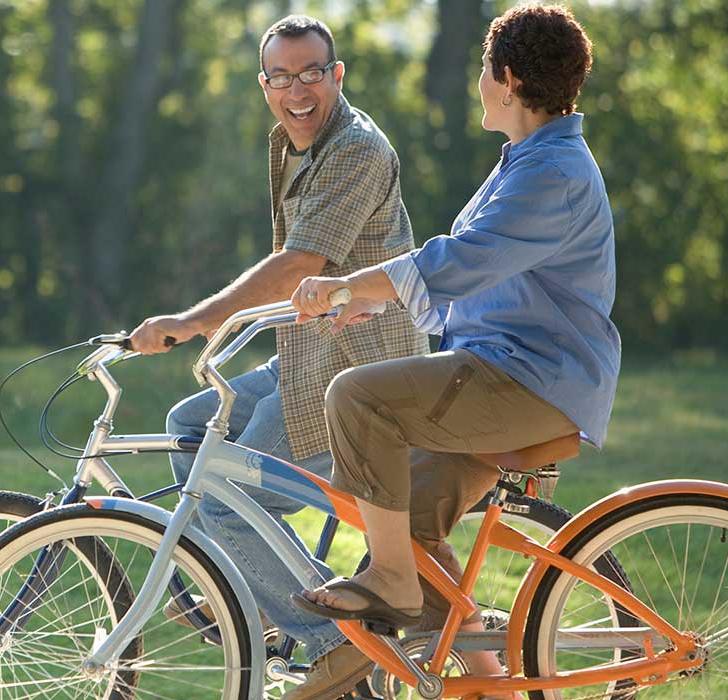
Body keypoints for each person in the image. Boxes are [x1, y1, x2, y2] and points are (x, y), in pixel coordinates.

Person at [287, 5, 619, 699]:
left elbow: (460, 260)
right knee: (407, 534)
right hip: (506, 370)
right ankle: (473, 679)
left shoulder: (551, 172)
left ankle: (386, 588)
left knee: (357, 395)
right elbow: (476, 276)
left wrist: (349, 283)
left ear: (505, 79)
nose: (477, 83)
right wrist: (371, 299)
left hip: (529, 381)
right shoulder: (529, 160)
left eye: (480, 71)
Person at [126, 15, 428, 699]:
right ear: (264, 84)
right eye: (282, 76)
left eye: (312, 73)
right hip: (305, 356)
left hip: (356, 374)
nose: (298, 89)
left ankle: (338, 651)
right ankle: (263, 602)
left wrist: (197, 321)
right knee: (190, 427)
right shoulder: (294, 142)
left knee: (230, 499)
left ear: (337, 75)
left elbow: (301, 263)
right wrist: (232, 327)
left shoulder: (355, 148)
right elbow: (300, 278)